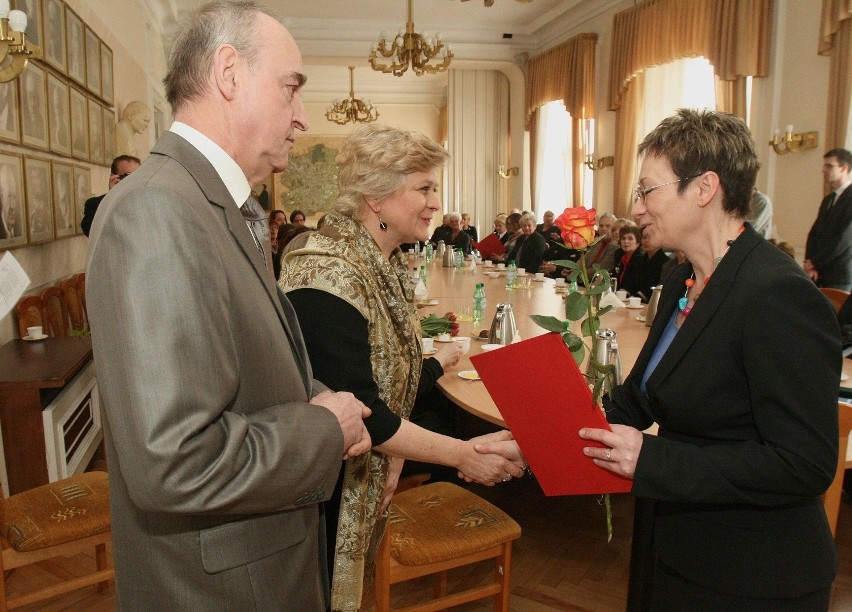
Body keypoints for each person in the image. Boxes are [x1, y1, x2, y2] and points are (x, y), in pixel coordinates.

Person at [85, 3, 372, 608]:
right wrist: (323, 429)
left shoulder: (204, 201)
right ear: (229, 73)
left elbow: (234, 364)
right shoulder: (157, 211)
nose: (302, 116)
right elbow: (174, 461)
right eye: (291, 88)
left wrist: (312, 394)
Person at [580, 109, 839, 608]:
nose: (636, 208)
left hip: (754, 574)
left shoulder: (776, 294)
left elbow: (802, 462)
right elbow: (638, 401)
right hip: (678, 546)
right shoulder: (683, 280)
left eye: (648, 190)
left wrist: (653, 458)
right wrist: (547, 436)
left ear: (704, 189)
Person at [279, 123, 526, 611]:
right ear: (376, 196)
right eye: (424, 188)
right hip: (320, 487)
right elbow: (363, 409)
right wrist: (463, 454)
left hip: (362, 467)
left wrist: (394, 457)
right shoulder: (326, 273)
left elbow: (397, 376)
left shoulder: (379, 260)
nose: (436, 202)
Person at [804, 148, 852, 291]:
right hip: (818, 273)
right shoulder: (828, 199)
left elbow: (844, 240)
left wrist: (815, 262)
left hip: (839, 275)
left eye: (829, 166)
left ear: (844, 168)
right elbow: (814, 233)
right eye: (824, 166)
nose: (824, 170)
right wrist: (809, 262)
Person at [80, 155, 141, 236]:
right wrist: (111, 197)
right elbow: (92, 233)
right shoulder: (94, 204)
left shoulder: (147, 202)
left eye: (138, 175)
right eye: (128, 176)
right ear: (114, 177)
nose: (134, 180)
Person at [0, 163, 22, 239]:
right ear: (0, 196)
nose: (13, 205)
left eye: (14, 197)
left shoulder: (20, 229)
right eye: (9, 197)